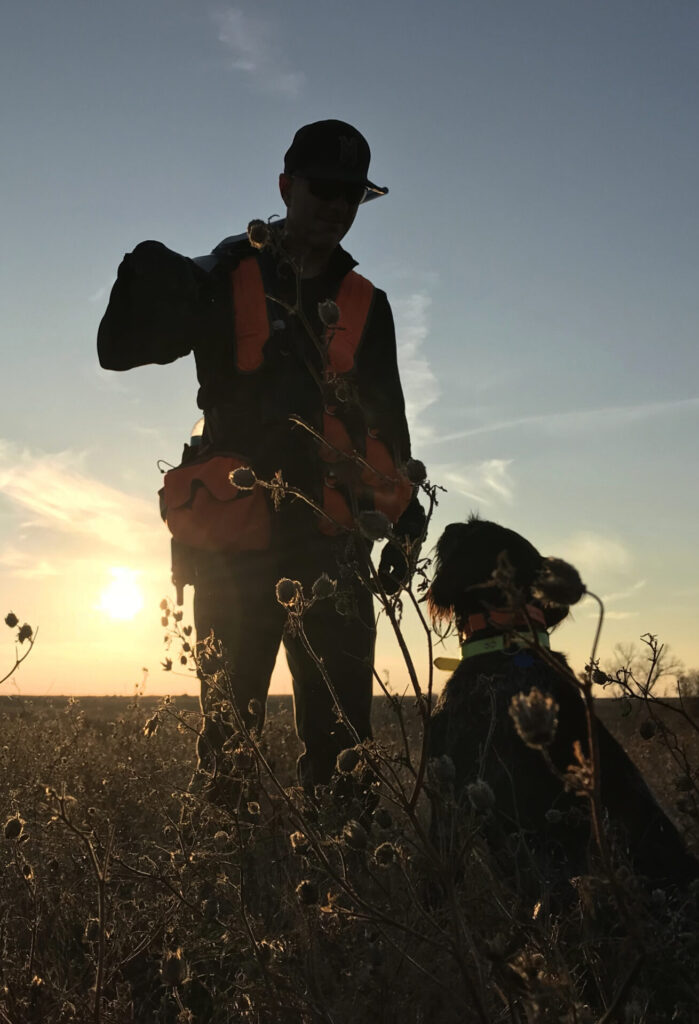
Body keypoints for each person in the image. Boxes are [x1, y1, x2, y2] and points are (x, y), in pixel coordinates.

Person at [98, 119, 423, 792]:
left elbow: (387, 425)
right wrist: (150, 273)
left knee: (346, 751)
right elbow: (122, 347)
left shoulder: (368, 304)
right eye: (322, 190)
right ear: (285, 186)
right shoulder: (223, 273)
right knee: (229, 744)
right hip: (233, 552)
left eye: (350, 196)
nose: (335, 208)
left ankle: (351, 881)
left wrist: (406, 522)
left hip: (334, 548)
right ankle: (230, 882)